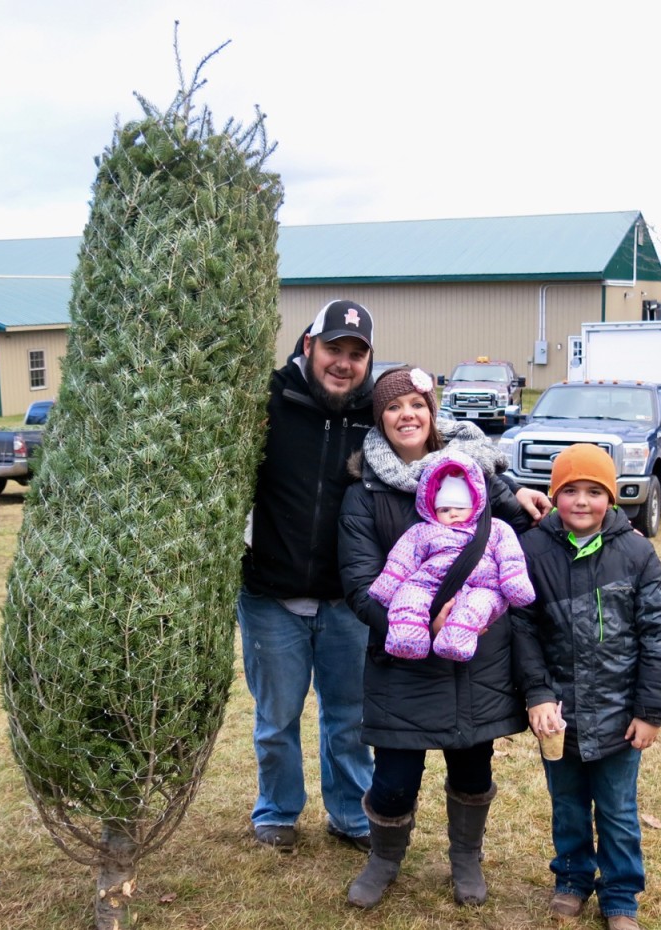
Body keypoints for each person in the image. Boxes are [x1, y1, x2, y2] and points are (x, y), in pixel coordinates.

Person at [337, 365, 549, 909]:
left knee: (473, 771)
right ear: (379, 419)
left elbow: (530, 542)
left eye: (417, 405)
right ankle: (384, 859)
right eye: (393, 406)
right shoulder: (365, 493)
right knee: (394, 779)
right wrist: (417, 621)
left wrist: (608, 530)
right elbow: (361, 586)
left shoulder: (483, 477)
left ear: (433, 414)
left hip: (474, 657)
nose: (406, 415)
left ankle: (466, 859)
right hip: (402, 654)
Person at [515, 443, 661, 930]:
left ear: (611, 497)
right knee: (567, 805)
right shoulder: (533, 551)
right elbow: (522, 630)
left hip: (619, 718)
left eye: (595, 491)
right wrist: (538, 693)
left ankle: (621, 893)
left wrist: (652, 711)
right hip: (558, 719)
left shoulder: (636, 552)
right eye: (570, 491)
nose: (582, 502)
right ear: (554, 495)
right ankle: (571, 877)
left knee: (617, 810)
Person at [237, 298, 378, 854]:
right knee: (277, 718)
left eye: (356, 353)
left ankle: (351, 815)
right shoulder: (266, 399)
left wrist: (515, 495)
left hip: (348, 600)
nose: (343, 363)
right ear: (308, 346)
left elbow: (445, 456)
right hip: (271, 595)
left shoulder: (379, 412)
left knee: (350, 718)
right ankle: (278, 810)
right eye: (333, 350)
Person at [368, 449, 536, 662]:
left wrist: (516, 584)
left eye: (460, 507)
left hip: (482, 586)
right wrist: (387, 586)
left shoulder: (496, 529)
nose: (453, 514)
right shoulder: (424, 531)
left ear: (475, 503)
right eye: (445, 509)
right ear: (432, 507)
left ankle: (455, 641)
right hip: (428, 583)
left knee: (475, 608)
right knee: (409, 597)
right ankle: (406, 638)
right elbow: (402, 559)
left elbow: (511, 558)